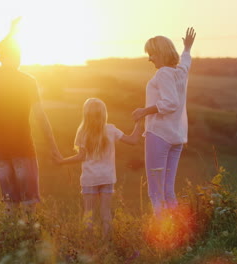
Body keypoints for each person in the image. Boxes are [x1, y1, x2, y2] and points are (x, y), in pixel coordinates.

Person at [0, 17, 60, 216]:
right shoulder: (28, 81)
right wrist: (53, 148)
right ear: (6, 57)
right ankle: (26, 239)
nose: (18, 58)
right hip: (21, 145)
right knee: (28, 200)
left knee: (10, 200)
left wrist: (9, 35)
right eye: (16, 55)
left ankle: (10, 240)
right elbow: (40, 116)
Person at [54, 98, 142, 239]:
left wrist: (62, 161)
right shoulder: (111, 129)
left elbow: (80, 157)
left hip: (90, 179)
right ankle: (107, 242)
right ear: (104, 113)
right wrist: (139, 121)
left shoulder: (82, 132)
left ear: (85, 114)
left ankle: (88, 243)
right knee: (105, 213)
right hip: (107, 178)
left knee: (88, 213)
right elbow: (133, 140)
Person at [132, 28, 196, 217]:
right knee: (168, 190)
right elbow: (186, 63)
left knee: (155, 191)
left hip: (159, 135)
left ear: (160, 53)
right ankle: (176, 231)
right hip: (176, 137)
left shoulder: (163, 74)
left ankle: (162, 234)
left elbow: (170, 103)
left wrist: (144, 111)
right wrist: (187, 48)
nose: (150, 58)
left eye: (152, 54)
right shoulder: (179, 73)